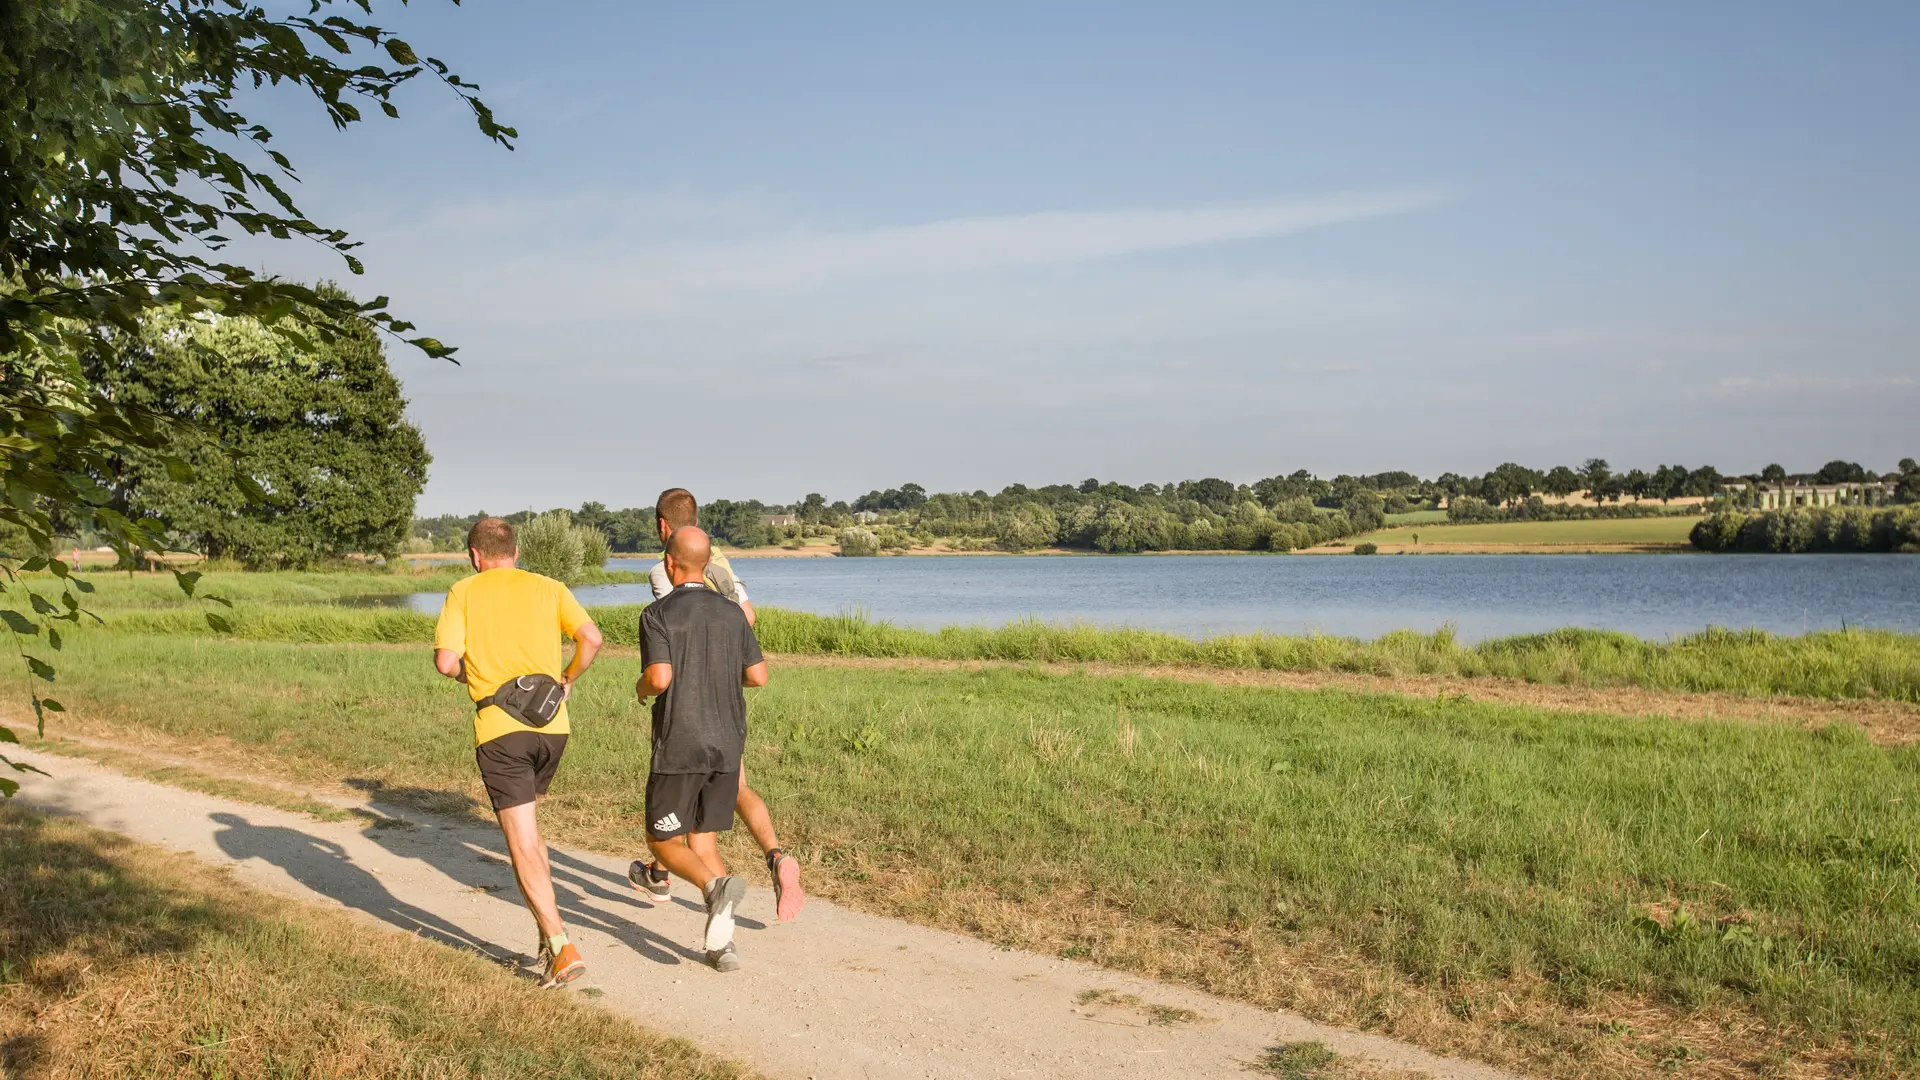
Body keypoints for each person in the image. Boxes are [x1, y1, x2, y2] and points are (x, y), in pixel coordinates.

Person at [433, 517, 603, 988]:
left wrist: (473, 674)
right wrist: (566, 679)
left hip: (501, 732)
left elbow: (446, 661)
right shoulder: (550, 587)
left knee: (522, 843)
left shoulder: (463, 591)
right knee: (531, 837)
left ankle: (560, 945)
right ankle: (548, 942)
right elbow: (591, 639)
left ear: (474, 555)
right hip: (552, 729)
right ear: (516, 550)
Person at [628, 487, 803, 922]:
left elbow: (665, 665)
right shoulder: (725, 580)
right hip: (727, 723)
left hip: (686, 724)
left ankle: (681, 878)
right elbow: (752, 642)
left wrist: (643, 689)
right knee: (712, 826)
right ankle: (745, 900)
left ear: (666, 540)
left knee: (668, 832)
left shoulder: (659, 590)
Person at [636, 526, 769, 971]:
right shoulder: (734, 614)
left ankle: (714, 888)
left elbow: (659, 678)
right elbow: (758, 676)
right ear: (708, 565)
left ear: (670, 564)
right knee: (703, 840)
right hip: (728, 742)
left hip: (681, 744)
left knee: (662, 841)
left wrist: (640, 688)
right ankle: (721, 946)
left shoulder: (657, 614)